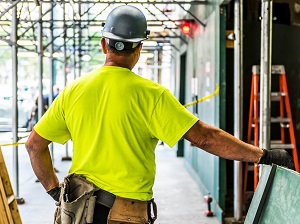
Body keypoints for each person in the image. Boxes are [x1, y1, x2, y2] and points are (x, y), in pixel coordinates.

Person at [25, 5, 294, 224]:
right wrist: (263, 155)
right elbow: (205, 138)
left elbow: (34, 145)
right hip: (124, 215)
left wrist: (55, 192)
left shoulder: (73, 91)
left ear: (104, 44)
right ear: (139, 49)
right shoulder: (152, 95)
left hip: (79, 212)